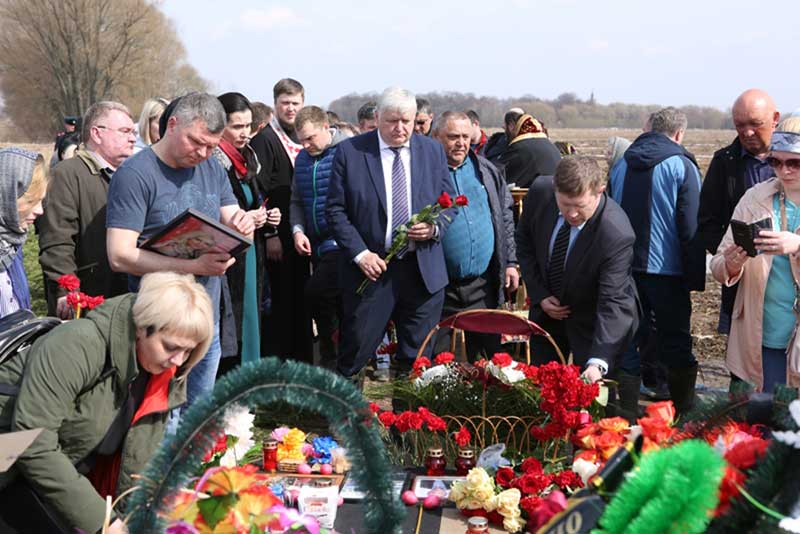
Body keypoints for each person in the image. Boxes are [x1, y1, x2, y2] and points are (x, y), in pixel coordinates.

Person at [0, 272, 213, 534]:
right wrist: (104, 522)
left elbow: (138, 461)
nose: (178, 360)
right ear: (141, 327)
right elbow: (33, 440)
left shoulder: (159, 368)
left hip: (50, 475)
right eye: (171, 347)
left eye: (189, 351)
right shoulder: (77, 344)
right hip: (9, 469)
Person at [105, 92, 254, 409]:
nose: (202, 153)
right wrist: (193, 266)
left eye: (212, 146)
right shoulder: (134, 175)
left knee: (196, 417)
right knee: (160, 420)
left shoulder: (212, 167)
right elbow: (119, 255)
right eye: (195, 142)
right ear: (172, 124)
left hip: (205, 320)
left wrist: (243, 225)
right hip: (159, 329)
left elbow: (231, 217)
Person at [327, 87, 456, 380]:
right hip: (372, 271)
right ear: (377, 117)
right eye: (391, 121)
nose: (400, 128)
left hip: (421, 270)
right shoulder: (352, 152)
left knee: (416, 360)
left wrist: (434, 227)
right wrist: (360, 254)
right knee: (355, 353)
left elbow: (448, 203)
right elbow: (335, 210)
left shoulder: (432, 150)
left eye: (407, 121)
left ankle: (407, 424)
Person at [516, 156, 639, 417]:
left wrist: (598, 362)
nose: (571, 213)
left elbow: (613, 301)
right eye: (564, 204)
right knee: (544, 395)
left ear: (599, 192)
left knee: (594, 405)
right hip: (547, 315)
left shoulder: (615, 233)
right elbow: (525, 242)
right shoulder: (539, 193)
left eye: (579, 206)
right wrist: (540, 294)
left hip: (594, 319)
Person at [610, 107, 705, 414]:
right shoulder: (681, 164)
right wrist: (694, 275)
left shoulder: (622, 162)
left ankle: (625, 411)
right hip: (668, 270)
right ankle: (683, 411)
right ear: (679, 134)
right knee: (675, 339)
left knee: (626, 339)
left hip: (624, 268)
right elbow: (691, 225)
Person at [710, 124, 800, 393]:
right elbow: (718, 264)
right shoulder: (755, 197)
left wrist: (797, 244)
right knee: (767, 419)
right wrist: (731, 264)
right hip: (763, 334)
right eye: (776, 161)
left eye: (794, 163)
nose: (784, 171)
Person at [431, 111, 518, 359]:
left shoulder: (487, 171)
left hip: (482, 286)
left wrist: (510, 262)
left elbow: (505, 216)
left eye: (465, 137)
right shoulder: (424, 174)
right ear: (436, 137)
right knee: (440, 363)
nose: (461, 143)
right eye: (453, 137)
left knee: (486, 361)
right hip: (441, 287)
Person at [39, 101, 134, 319]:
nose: (132, 138)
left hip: (124, 296)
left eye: (133, 132)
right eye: (124, 131)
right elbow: (57, 239)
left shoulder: (130, 174)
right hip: (88, 300)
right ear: (96, 133)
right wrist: (66, 291)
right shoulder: (67, 174)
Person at [699, 89, 780, 335]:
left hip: (787, 281)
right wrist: (730, 254)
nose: (747, 132)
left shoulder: (791, 161)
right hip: (740, 283)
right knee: (741, 361)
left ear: (775, 118)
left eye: (755, 124)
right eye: (739, 125)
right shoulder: (724, 162)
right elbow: (706, 221)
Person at [213, 92, 281, 370]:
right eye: (237, 126)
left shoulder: (246, 158)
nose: (245, 133)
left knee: (251, 321)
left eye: (249, 126)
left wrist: (267, 217)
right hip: (228, 257)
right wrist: (246, 218)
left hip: (252, 250)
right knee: (234, 324)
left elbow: (254, 199)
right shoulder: (214, 161)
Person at [250, 78, 313, 361]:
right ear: (275, 104)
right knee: (281, 303)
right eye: (285, 103)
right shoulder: (266, 139)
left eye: (295, 103)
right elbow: (258, 189)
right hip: (278, 239)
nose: (290, 109)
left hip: (301, 235)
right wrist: (270, 233)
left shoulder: (302, 136)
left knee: (301, 301)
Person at [290, 106, 348, 367]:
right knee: (326, 314)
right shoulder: (302, 158)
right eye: (301, 139)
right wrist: (298, 230)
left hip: (343, 246)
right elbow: (297, 200)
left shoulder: (348, 151)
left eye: (310, 138)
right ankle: (329, 365)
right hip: (317, 246)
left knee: (317, 294)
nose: (305, 144)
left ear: (326, 127)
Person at [0, 148, 47, 319]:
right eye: (30, 201)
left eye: (41, 201)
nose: (40, 210)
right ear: (5, 197)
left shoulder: (10, 245)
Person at [499, 112, 562, 188]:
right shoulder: (550, 145)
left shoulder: (519, 147)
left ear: (511, 126)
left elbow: (499, 177)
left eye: (505, 129)